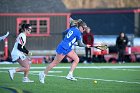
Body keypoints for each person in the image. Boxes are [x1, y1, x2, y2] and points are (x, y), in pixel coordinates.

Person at [39, 19, 91, 83]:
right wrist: (86, 46)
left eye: (85, 29)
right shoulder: (78, 32)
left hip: (67, 48)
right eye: (84, 28)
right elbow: (80, 44)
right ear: (80, 27)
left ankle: (70, 75)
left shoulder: (73, 28)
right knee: (54, 63)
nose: (84, 30)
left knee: (76, 59)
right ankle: (43, 74)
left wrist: (67, 41)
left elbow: (64, 33)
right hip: (63, 48)